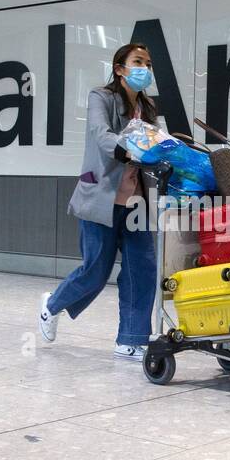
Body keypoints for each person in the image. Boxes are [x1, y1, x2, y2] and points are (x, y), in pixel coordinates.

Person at [38, 42, 159, 360]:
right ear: (120, 68)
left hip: (136, 201)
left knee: (142, 269)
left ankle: (131, 339)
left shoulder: (148, 108)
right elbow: (99, 133)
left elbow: (156, 142)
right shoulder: (100, 97)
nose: (144, 68)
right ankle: (52, 306)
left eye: (147, 63)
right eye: (137, 62)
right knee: (96, 270)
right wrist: (128, 149)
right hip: (101, 197)